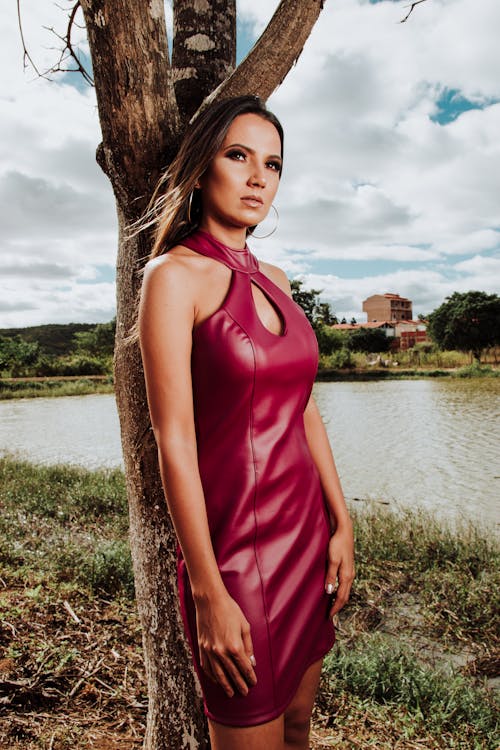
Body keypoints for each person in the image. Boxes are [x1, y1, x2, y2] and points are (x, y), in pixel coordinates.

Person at [137, 94, 355, 750]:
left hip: (306, 539)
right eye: (239, 156)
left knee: (297, 727)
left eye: (274, 164)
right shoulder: (173, 277)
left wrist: (341, 522)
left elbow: (304, 409)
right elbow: (172, 438)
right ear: (203, 169)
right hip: (234, 560)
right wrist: (207, 587)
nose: (259, 177)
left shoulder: (278, 280)